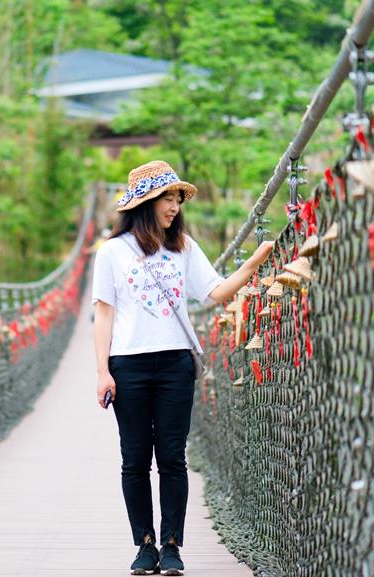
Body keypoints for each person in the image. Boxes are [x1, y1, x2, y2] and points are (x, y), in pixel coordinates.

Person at [91, 160, 273, 576]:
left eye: (177, 198)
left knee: (172, 457)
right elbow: (104, 315)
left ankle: (172, 545)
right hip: (128, 365)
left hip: (175, 362)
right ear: (146, 201)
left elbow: (215, 292)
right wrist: (103, 371)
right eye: (167, 198)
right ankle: (145, 545)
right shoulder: (113, 253)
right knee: (134, 459)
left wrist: (255, 263)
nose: (174, 206)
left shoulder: (183, 248)